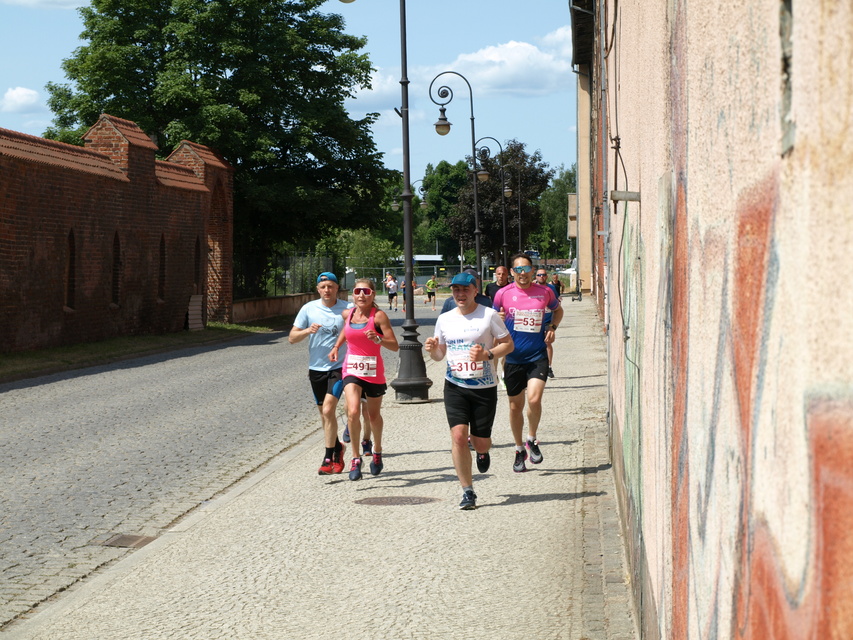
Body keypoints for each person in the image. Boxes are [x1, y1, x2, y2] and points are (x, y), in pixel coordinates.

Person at [424, 272, 514, 510]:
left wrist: (488, 354)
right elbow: (439, 355)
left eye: (465, 289)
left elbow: (508, 344)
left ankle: (482, 452)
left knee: (481, 443)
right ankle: (467, 491)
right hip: (455, 386)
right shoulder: (445, 319)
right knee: (458, 437)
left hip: (484, 387)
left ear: (475, 291)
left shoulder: (488, 315)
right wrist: (432, 350)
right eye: (456, 290)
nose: (460, 294)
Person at [493, 253, 564, 472]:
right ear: (512, 272)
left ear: (532, 270)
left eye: (526, 269)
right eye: (518, 270)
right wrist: (498, 320)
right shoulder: (503, 294)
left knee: (534, 399)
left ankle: (531, 438)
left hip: (537, 355)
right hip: (513, 358)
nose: (522, 274)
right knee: (515, 407)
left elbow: (558, 310)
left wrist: (552, 327)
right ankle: (518, 449)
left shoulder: (545, 292)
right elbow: (491, 322)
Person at [329, 278, 399, 480]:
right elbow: (347, 330)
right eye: (358, 291)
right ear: (353, 294)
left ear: (373, 294)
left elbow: (394, 345)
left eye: (366, 292)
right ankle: (355, 458)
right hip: (351, 369)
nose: (361, 295)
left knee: (373, 416)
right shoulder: (348, 314)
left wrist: (378, 339)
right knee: (352, 411)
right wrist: (336, 346)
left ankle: (377, 451)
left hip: (373, 371)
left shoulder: (379, 316)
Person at [288, 272, 350, 475]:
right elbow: (292, 338)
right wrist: (307, 331)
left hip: (338, 367)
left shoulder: (347, 308)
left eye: (330, 286)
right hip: (316, 368)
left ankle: (327, 458)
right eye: (323, 287)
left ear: (337, 288)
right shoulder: (308, 308)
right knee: (325, 415)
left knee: (328, 410)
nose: (327, 290)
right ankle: (338, 448)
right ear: (317, 289)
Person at [535, 268, 561, 379]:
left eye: (543, 274)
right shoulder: (532, 288)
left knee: (548, 343)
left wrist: (553, 323)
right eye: (539, 275)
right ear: (536, 276)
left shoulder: (551, 288)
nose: (541, 276)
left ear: (546, 276)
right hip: (535, 320)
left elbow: (557, 304)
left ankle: (549, 367)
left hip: (547, 319)